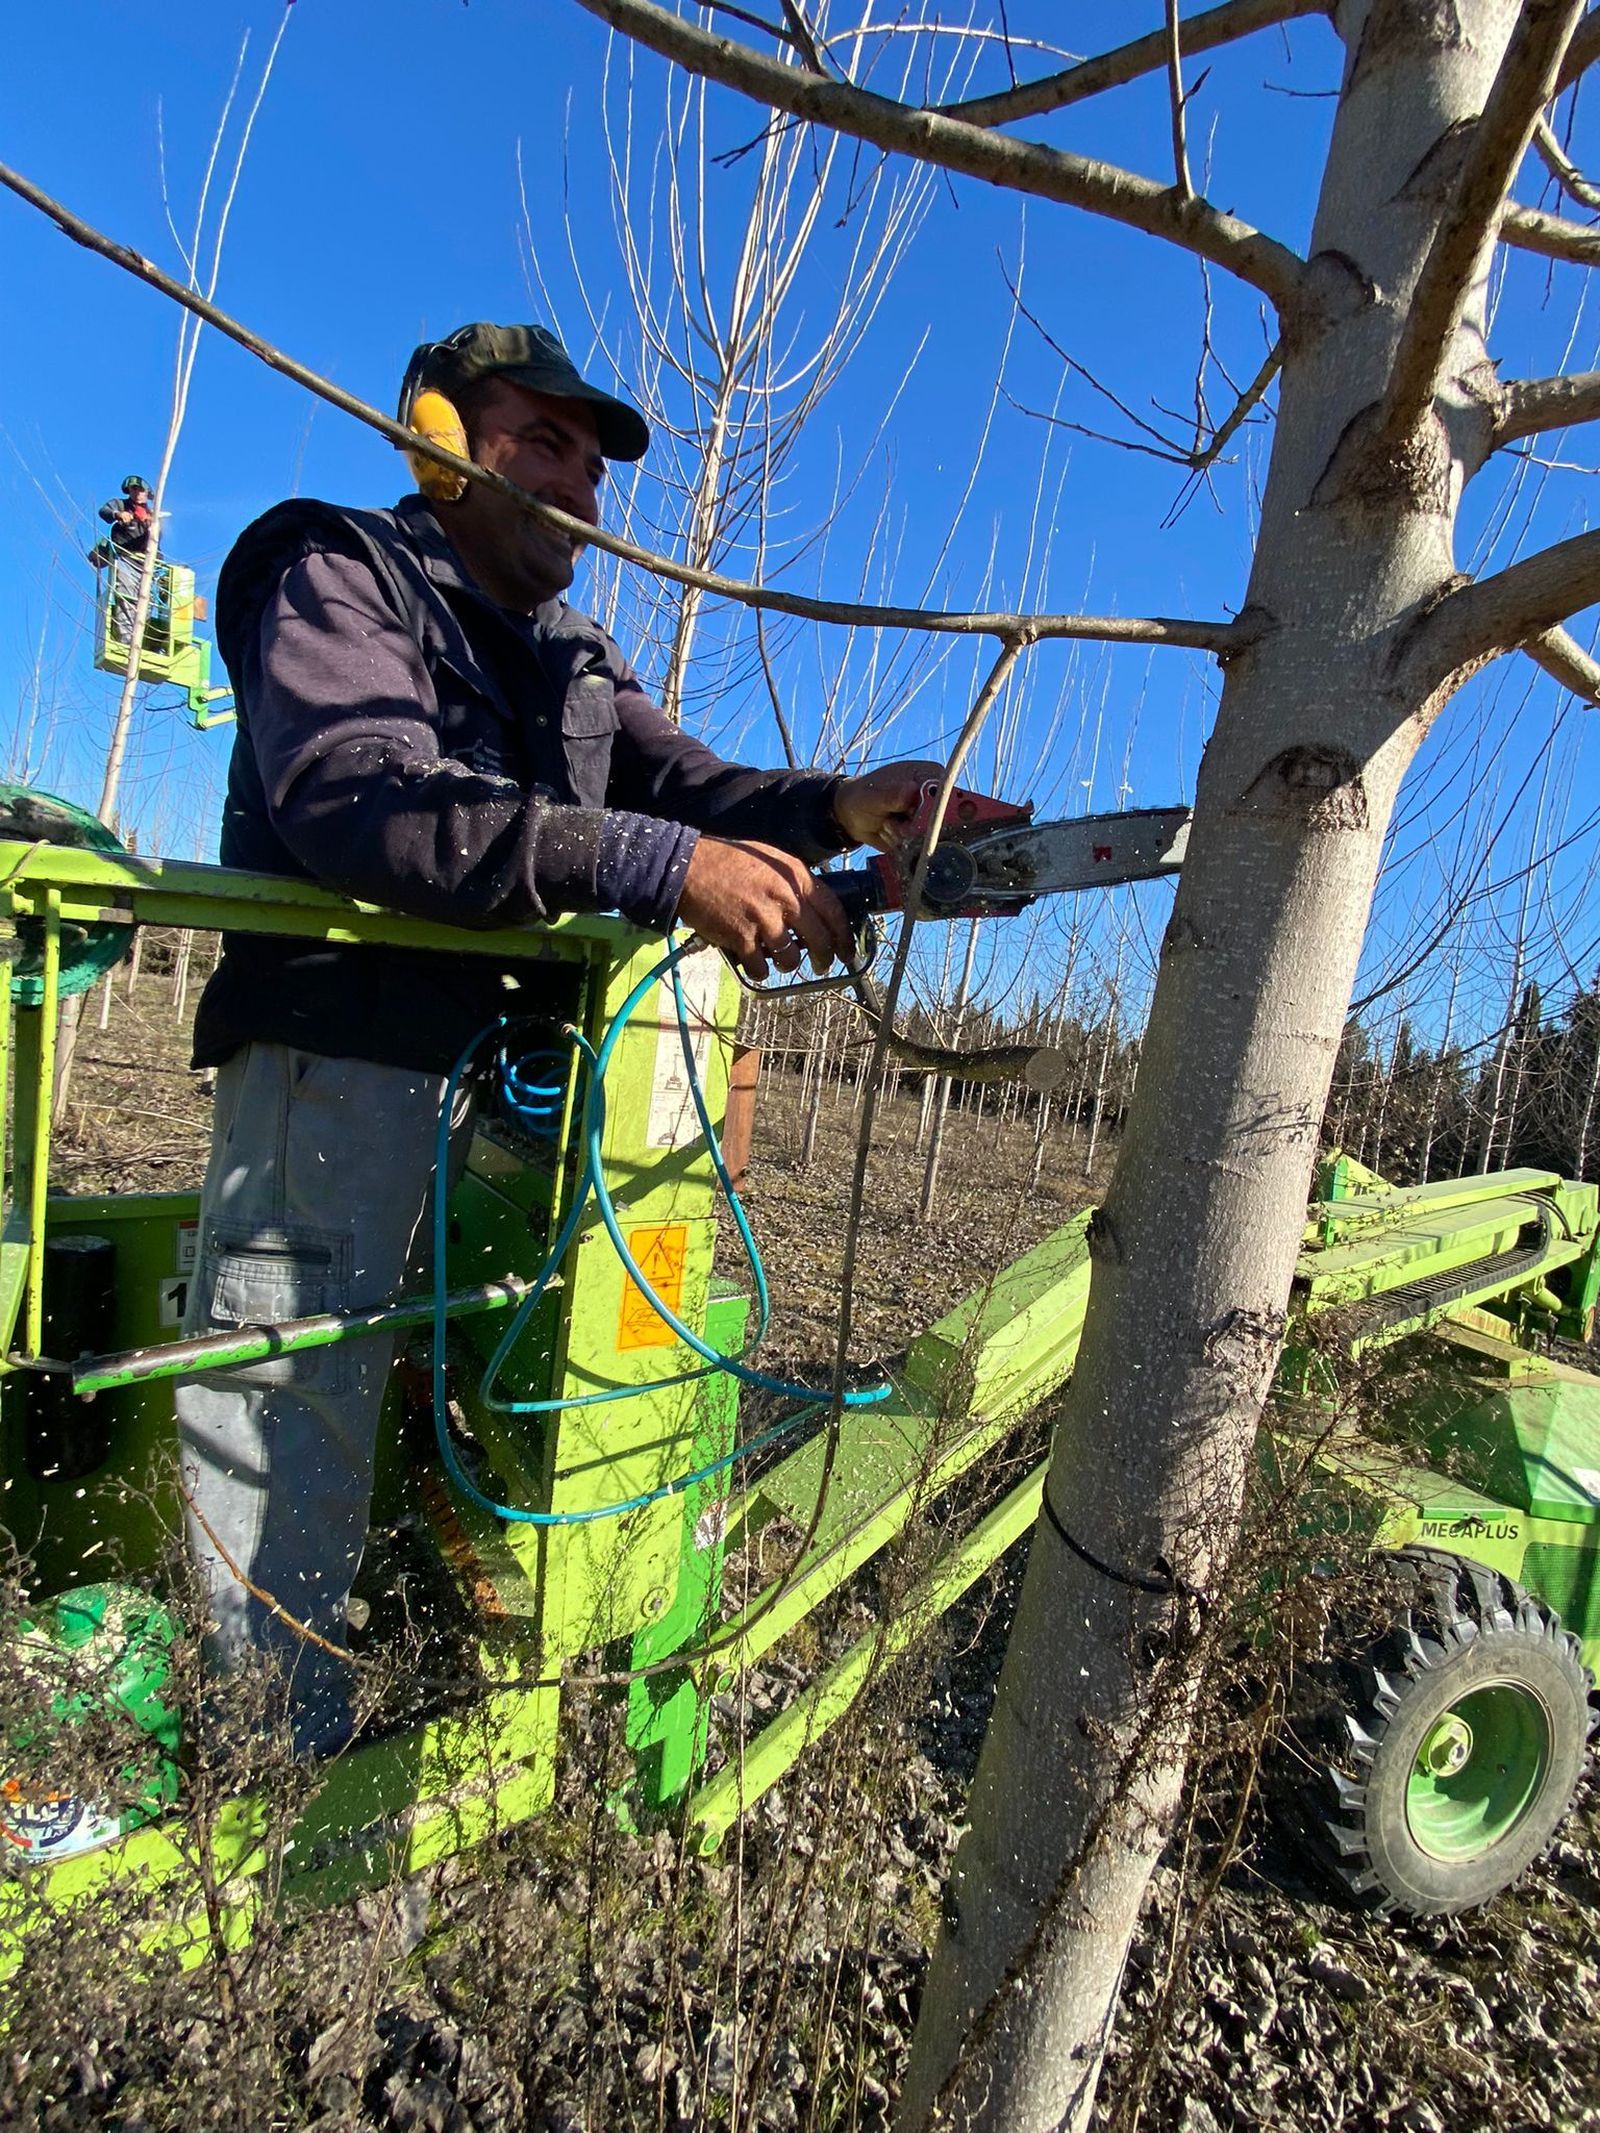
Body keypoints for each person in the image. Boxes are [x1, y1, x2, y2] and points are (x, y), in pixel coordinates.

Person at [173, 321, 941, 1755]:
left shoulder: (571, 655)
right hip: (344, 1061)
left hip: (511, 1107)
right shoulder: (338, 568)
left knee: (474, 1388)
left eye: (595, 461)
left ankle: (414, 1685)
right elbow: (357, 795)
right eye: (545, 443)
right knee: (288, 1411)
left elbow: (697, 790)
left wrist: (845, 810)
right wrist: (658, 867)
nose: (582, 485)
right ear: (439, 442)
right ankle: (258, 1761)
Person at [89, 476, 157, 644]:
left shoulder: (152, 514)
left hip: (147, 564)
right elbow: (104, 511)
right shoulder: (121, 505)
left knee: (146, 601)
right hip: (126, 558)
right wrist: (118, 514)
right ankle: (127, 641)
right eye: (134, 489)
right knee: (126, 596)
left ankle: (140, 639)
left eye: (141, 490)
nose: (137, 493)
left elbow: (158, 538)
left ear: (147, 493)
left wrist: (153, 525)